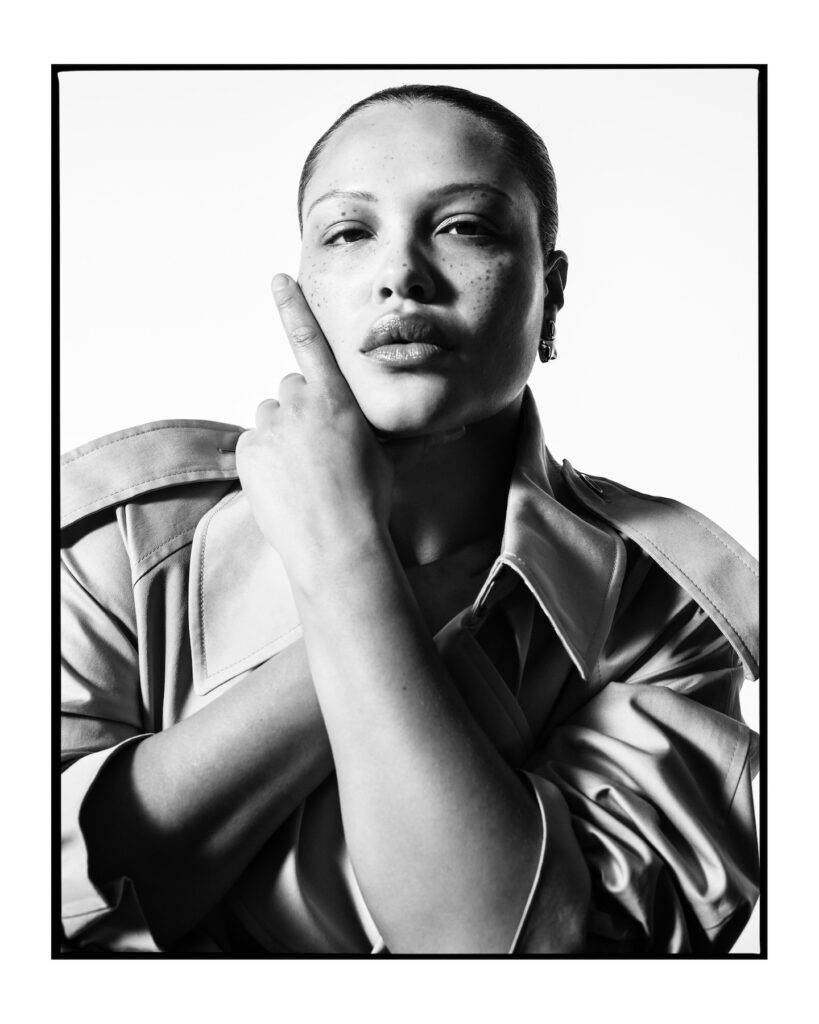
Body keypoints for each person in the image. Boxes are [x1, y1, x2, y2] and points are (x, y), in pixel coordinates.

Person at [60, 84, 760, 955]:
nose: (402, 275)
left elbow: (511, 959)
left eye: (464, 226)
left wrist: (348, 567)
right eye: (349, 232)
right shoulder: (121, 543)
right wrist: (377, 583)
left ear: (552, 293)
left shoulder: (671, 611)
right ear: (308, 286)